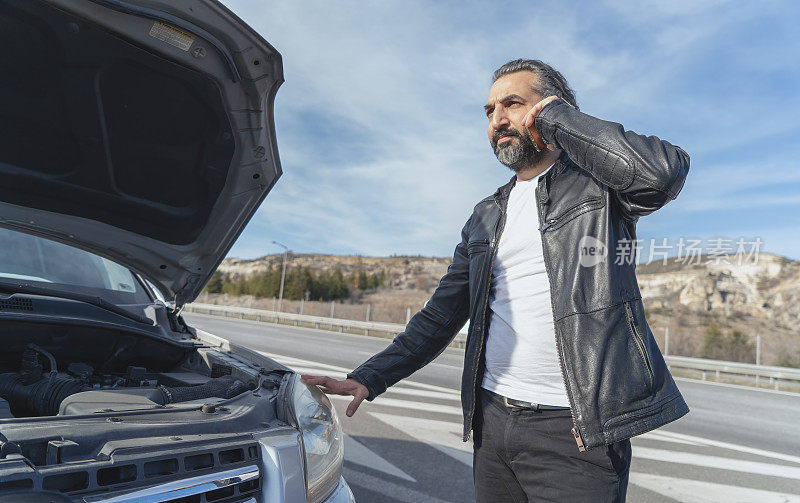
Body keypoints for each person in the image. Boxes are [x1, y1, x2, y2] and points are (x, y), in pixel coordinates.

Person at [302, 58, 690, 502]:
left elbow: (662, 172)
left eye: (512, 104)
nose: (497, 119)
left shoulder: (599, 189)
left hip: (577, 434)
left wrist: (555, 117)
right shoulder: (487, 214)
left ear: (549, 108)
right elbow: (442, 314)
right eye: (489, 111)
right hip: (492, 423)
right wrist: (371, 376)